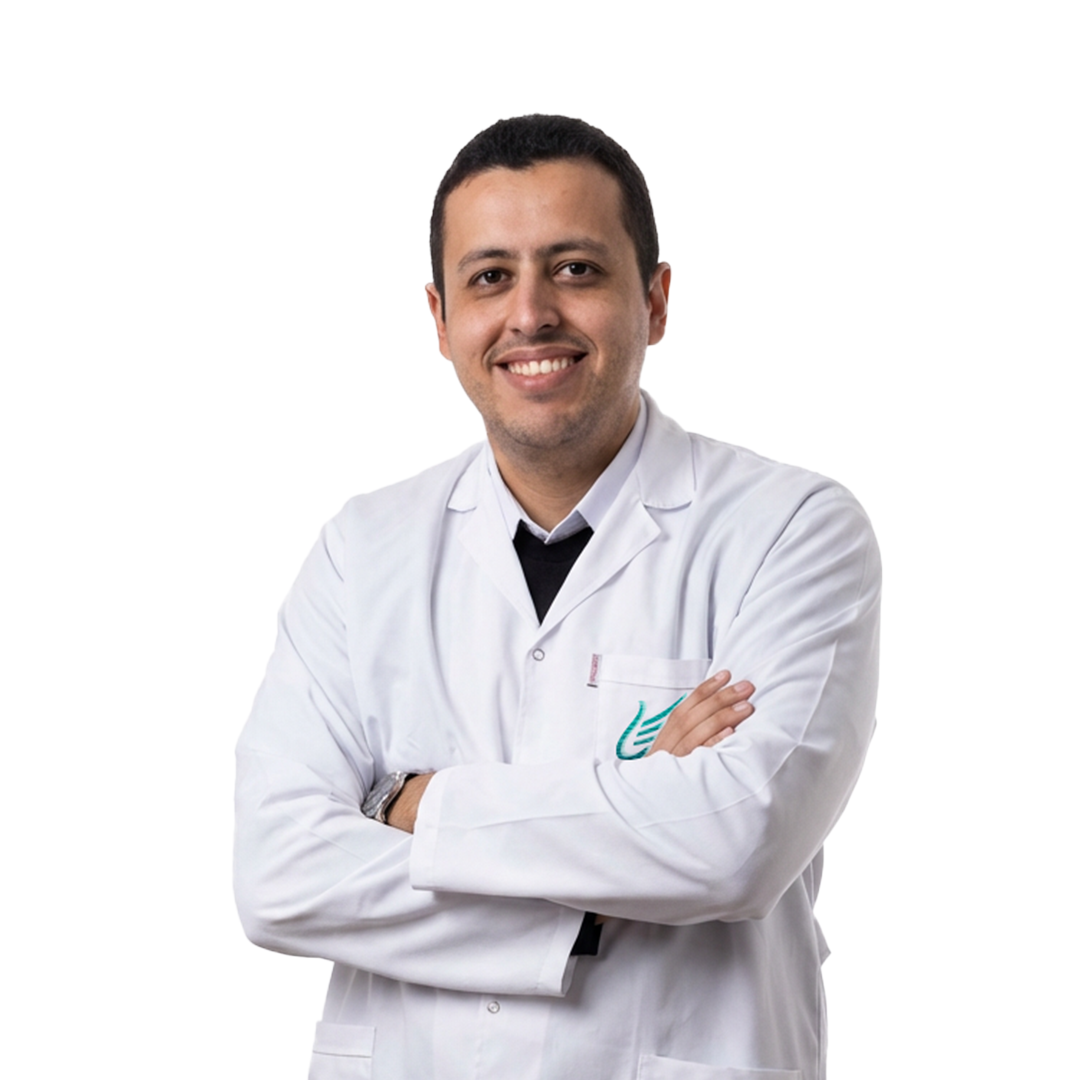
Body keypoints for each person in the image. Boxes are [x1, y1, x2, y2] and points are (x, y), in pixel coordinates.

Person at [234, 114, 880, 1080]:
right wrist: (603, 878)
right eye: (490, 276)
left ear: (654, 300)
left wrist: (411, 805)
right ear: (440, 319)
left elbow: (738, 842)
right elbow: (278, 873)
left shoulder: (792, 530)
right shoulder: (361, 551)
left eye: (576, 269)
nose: (531, 314)